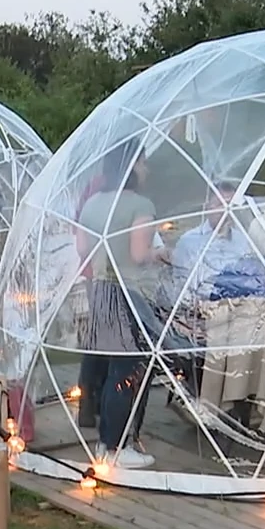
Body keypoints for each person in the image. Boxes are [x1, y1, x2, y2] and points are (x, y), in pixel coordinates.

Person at [76, 152, 160, 469]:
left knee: (110, 368)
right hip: (127, 294)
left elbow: (83, 249)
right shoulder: (141, 205)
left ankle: (105, 443)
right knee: (124, 373)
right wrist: (159, 253)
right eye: (142, 161)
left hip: (100, 291)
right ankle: (115, 447)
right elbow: (139, 254)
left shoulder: (92, 202)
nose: (147, 168)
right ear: (132, 166)